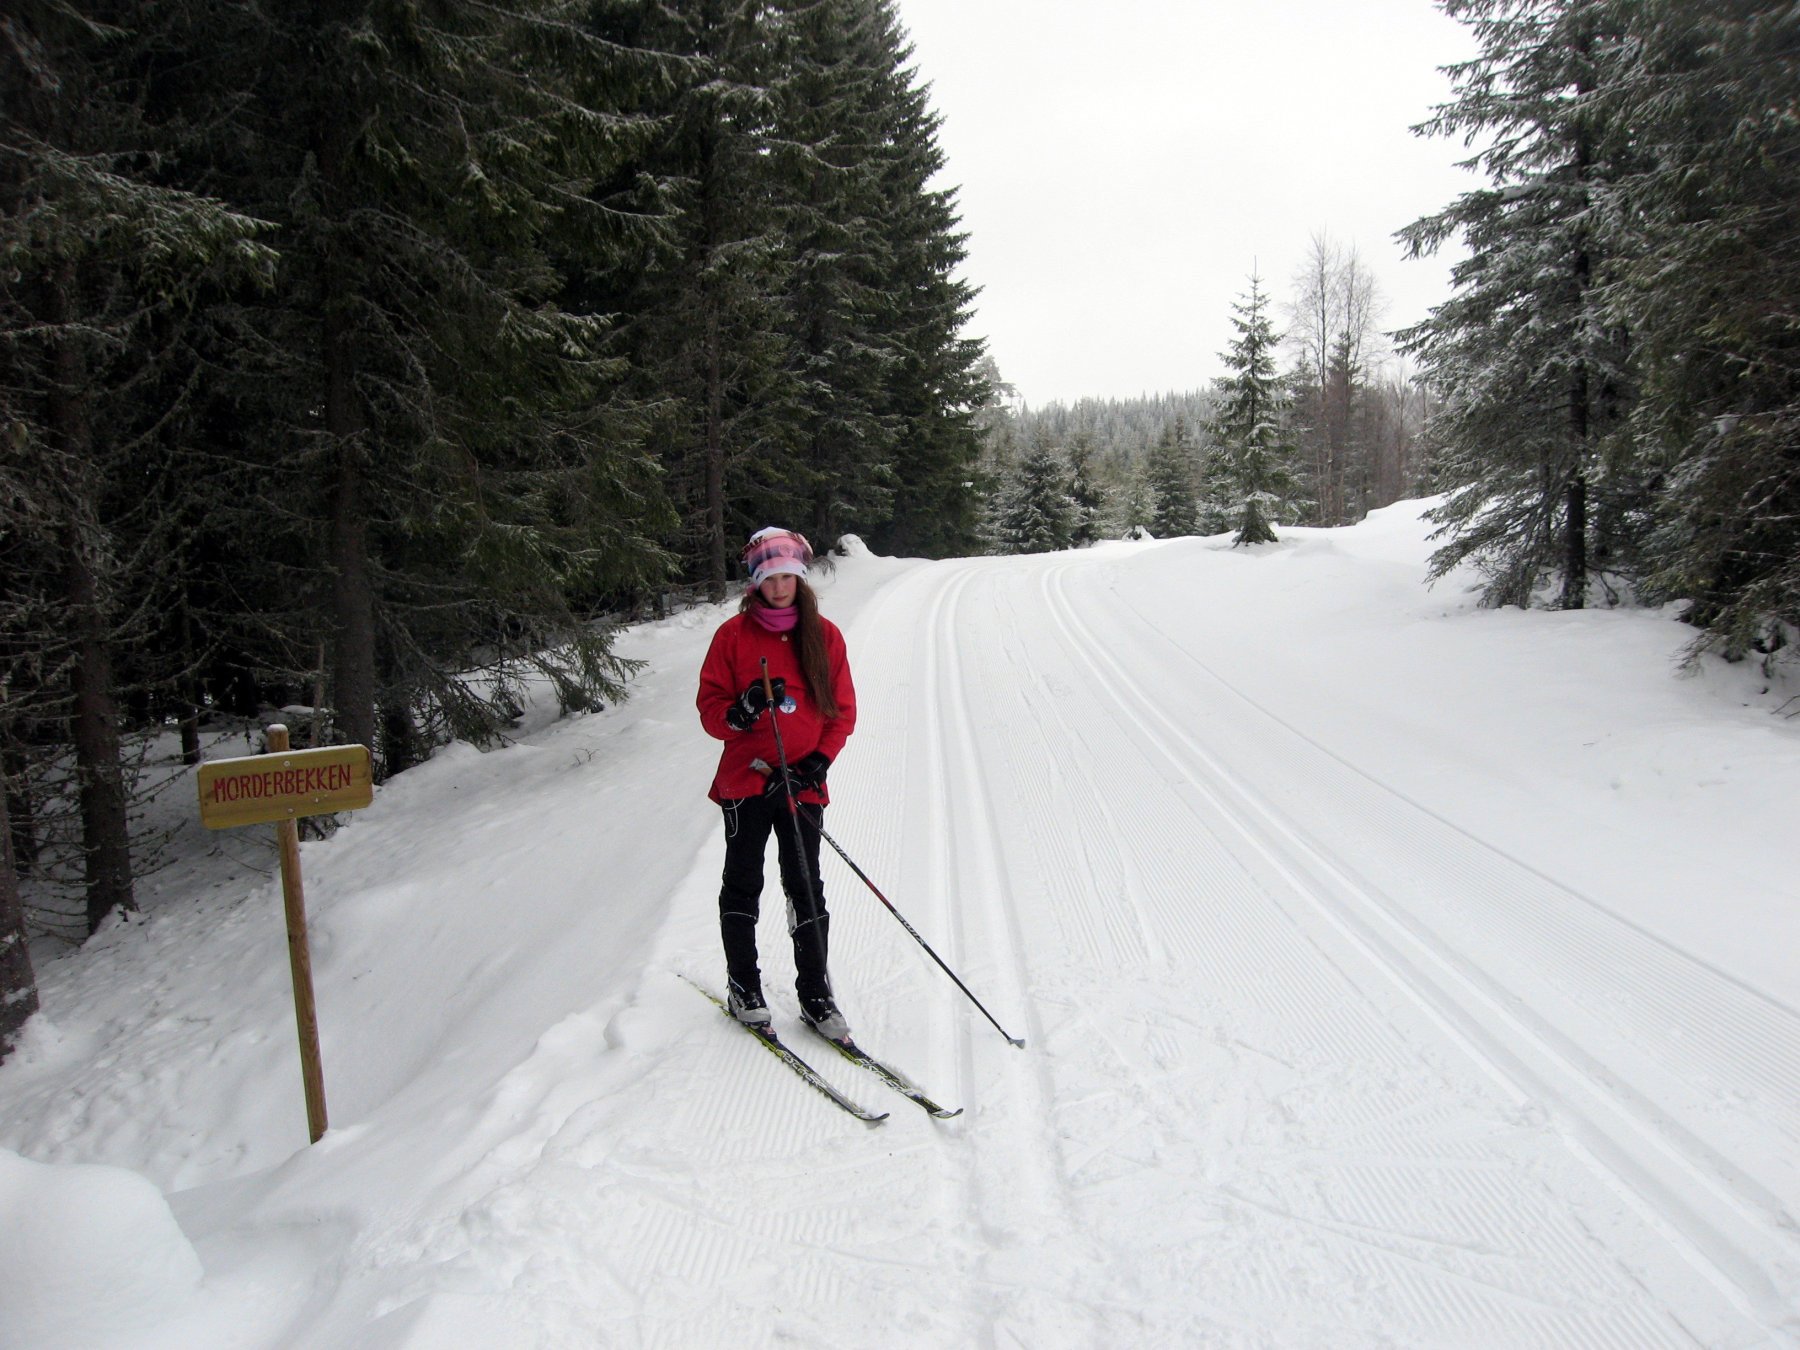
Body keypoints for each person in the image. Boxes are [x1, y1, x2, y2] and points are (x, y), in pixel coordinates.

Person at [697, 527, 857, 1039]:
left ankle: (815, 994)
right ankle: (744, 985)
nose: (781, 585)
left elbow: (842, 713)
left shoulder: (824, 635)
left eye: (789, 575)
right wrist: (740, 714)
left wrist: (816, 764)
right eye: (771, 576)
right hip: (746, 784)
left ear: (800, 577)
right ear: (756, 580)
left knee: (805, 887)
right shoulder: (733, 637)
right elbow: (710, 711)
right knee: (744, 883)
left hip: (800, 785)